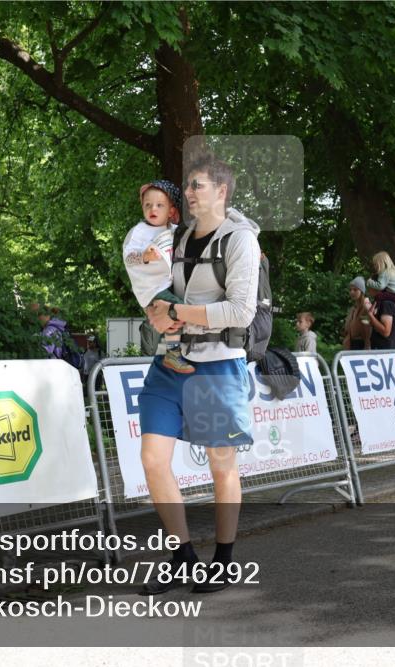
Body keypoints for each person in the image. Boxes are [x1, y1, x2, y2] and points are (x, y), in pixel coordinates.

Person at [141, 154, 261, 592]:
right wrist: (159, 312)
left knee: (221, 463)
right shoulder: (181, 236)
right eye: (188, 185)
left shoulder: (240, 240)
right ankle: (183, 556)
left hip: (215, 367)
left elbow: (240, 312)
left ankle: (224, 560)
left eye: (198, 185)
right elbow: (167, 292)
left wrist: (177, 311)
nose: (189, 192)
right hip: (169, 365)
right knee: (153, 461)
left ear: (222, 192)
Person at [123, 179, 194, 374]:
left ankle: (174, 349)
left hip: (168, 283)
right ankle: (173, 352)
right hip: (153, 287)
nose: (152, 208)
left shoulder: (174, 231)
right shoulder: (139, 231)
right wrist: (144, 256)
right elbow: (128, 258)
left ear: (171, 210)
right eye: (148, 205)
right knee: (178, 310)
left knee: (176, 314)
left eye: (159, 205)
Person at [342, 277, 372, 350]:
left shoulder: (365, 308)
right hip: (352, 343)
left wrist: (367, 346)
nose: (352, 292)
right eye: (350, 290)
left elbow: (368, 330)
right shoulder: (353, 309)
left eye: (355, 290)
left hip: (361, 345)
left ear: (361, 291)